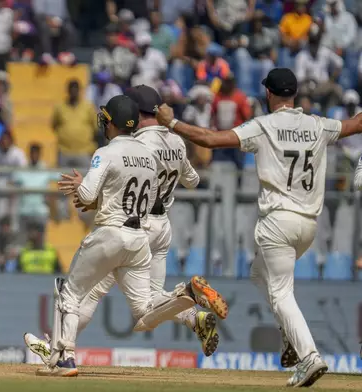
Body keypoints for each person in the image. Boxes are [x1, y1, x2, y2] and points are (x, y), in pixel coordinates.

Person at [153, 67, 362, 387]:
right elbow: (356, 123)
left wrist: (171, 122)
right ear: (293, 94)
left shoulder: (263, 126)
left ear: (268, 94)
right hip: (308, 226)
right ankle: (291, 338)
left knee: (280, 293)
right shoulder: (318, 124)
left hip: (278, 222)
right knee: (258, 274)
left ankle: (308, 356)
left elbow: (209, 140)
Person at [24, 86, 225, 365]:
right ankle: (191, 310)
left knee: (85, 292)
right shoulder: (174, 143)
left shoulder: (133, 146)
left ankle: (59, 352)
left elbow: (108, 191)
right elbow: (192, 181)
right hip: (158, 226)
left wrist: (88, 194)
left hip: (130, 226)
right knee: (146, 310)